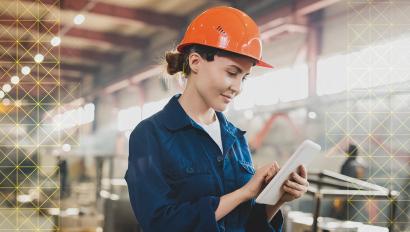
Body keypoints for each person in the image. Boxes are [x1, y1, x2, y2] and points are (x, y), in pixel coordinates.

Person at [125, 6, 309, 232]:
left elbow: (246, 223)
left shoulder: (235, 139)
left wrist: (278, 197)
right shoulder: (151, 135)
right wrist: (244, 193)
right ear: (195, 62)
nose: (238, 87)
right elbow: (159, 223)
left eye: (244, 77)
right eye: (232, 73)